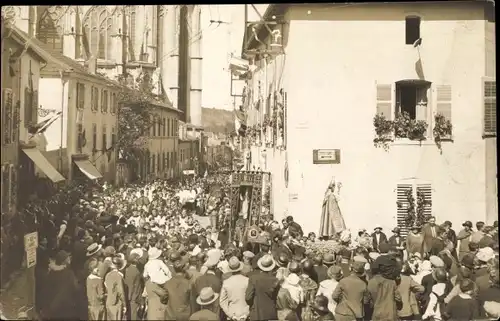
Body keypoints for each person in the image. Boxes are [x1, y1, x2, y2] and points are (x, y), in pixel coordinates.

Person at [245, 255, 280, 321]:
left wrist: (253, 305)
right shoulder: (275, 280)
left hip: (257, 313)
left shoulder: (253, 279)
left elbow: (248, 297)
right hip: (271, 313)